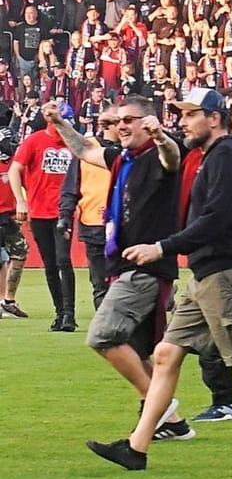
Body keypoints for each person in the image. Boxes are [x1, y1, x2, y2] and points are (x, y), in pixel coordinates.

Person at [86, 88, 232, 473]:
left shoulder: (227, 156)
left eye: (189, 116)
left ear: (214, 118)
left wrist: (161, 247)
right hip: (207, 273)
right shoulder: (209, 156)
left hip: (228, 272)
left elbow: (214, 221)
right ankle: (136, 448)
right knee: (167, 354)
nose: (183, 123)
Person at [42, 99, 193, 440]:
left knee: (103, 335)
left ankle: (162, 408)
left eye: (129, 120)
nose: (121, 125)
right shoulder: (121, 158)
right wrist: (59, 123)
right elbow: (83, 149)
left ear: (147, 122)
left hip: (145, 269)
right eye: (116, 120)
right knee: (140, 352)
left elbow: (172, 157)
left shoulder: (158, 155)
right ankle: (173, 423)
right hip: (124, 265)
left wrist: (160, 136)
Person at [8, 102, 78, 331]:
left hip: (62, 210)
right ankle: (60, 313)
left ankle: (69, 313)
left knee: (63, 261)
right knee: (50, 265)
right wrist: (20, 200)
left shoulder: (73, 141)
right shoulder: (35, 140)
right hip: (38, 211)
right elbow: (14, 169)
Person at [58, 118, 115, 310]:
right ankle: (108, 332)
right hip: (94, 225)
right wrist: (65, 215)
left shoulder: (133, 150)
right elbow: (71, 187)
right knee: (100, 285)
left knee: (127, 282)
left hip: (127, 227)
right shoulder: (88, 151)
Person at [0, 130, 27, 318]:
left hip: (9, 217)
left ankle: (7, 300)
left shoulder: (14, 164)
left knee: (20, 253)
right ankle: (5, 301)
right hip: (5, 216)